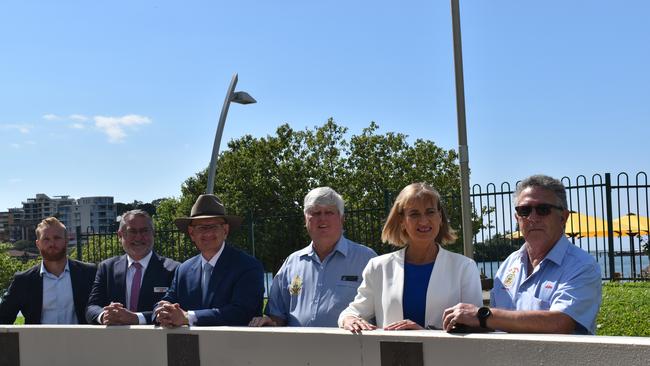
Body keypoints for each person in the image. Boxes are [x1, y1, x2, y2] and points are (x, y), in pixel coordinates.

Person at [443, 174, 602, 334]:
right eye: (524, 210)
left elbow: (560, 323)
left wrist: (482, 316)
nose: (533, 217)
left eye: (543, 210)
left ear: (563, 217)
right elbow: (499, 324)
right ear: (517, 218)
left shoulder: (582, 266)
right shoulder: (508, 265)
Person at [339, 183, 482, 332]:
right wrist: (349, 319)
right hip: (390, 355)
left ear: (440, 217)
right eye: (414, 214)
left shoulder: (464, 267)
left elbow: (476, 326)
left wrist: (425, 334)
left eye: (430, 212)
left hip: (446, 355)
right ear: (402, 221)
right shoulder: (378, 267)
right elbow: (351, 312)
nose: (424, 221)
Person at [249, 187, 377, 327]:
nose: (322, 218)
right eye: (315, 213)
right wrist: (271, 322)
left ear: (342, 219)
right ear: (306, 219)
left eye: (329, 212)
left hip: (351, 347)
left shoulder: (367, 259)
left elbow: (381, 313)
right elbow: (277, 315)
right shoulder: (292, 262)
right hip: (298, 348)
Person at [154, 194, 264, 327]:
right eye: (201, 227)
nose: (207, 233)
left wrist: (187, 317)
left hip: (235, 346)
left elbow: (243, 312)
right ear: (191, 233)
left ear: (225, 230)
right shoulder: (184, 269)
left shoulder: (247, 266)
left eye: (213, 226)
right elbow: (168, 300)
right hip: (191, 347)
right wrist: (162, 311)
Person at [86, 210, 179, 325]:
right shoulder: (107, 268)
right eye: (132, 231)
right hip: (115, 339)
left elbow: (175, 311)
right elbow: (92, 307)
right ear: (120, 235)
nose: (139, 237)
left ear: (153, 233)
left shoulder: (173, 269)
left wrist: (136, 318)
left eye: (144, 231)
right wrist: (104, 315)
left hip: (156, 340)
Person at [0, 217, 96, 324]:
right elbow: (3, 318)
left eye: (57, 238)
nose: (52, 244)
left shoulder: (89, 274)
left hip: (81, 340)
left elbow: (100, 310)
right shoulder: (23, 281)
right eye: (46, 239)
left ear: (66, 241)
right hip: (38, 341)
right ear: (38, 244)